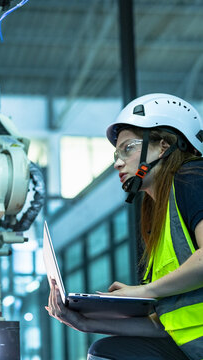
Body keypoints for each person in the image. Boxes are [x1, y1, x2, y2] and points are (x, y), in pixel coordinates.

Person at [46, 93, 203, 360]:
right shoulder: (159, 219)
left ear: (163, 146)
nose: (118, 162)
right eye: (116, 153)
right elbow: (165, 325)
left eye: (128, 148)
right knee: (105, 351)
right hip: (190, 350)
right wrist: (85, 323)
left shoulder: (192, 178)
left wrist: (144, 291)